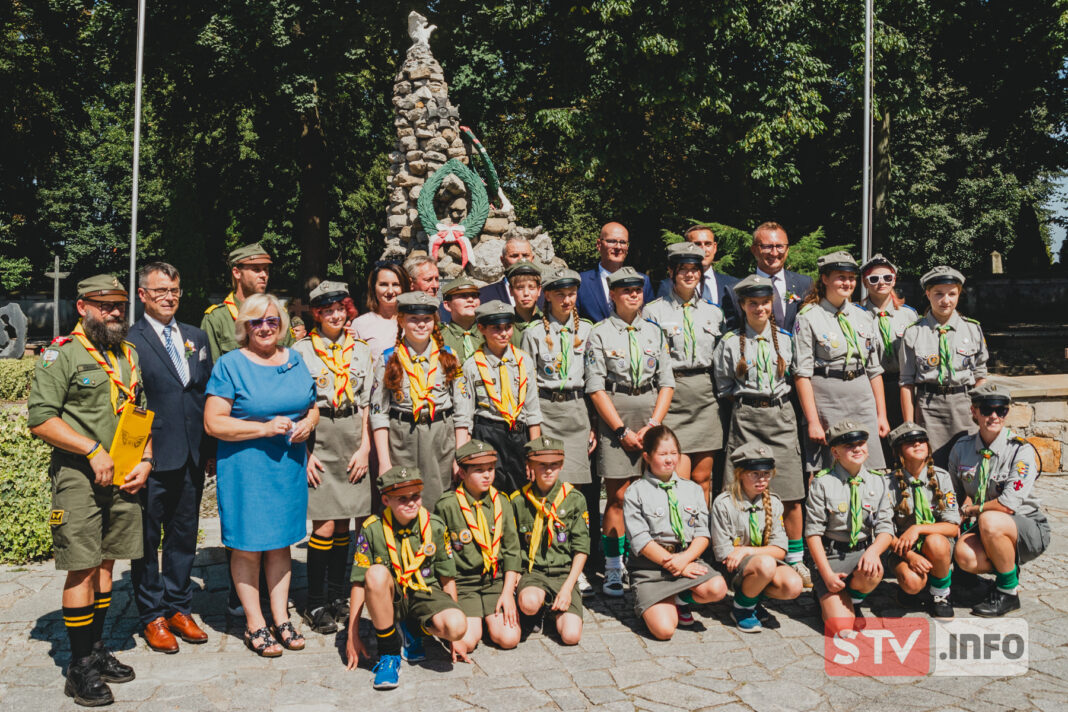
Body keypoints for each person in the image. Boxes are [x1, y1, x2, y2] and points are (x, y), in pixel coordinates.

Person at [28, 275, 152, 707]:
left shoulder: (127, 354)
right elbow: (41, 418)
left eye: (119, 304)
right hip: (79, 477)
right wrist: (92, 449)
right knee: (81, 567)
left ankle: (96, 650)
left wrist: (146, 461)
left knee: (105, 564)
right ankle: (78, 667)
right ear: (83, 307)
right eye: (104, 305)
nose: (115, 312)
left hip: (122, 476)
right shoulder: (61, 354)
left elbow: (139, 412)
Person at [203, 294, 318, 657]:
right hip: (246, 466)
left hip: (287, 465)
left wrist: (308, 424)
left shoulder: (295, 357)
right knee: (249, 546)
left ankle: (281, 618)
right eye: (256, 322)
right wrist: (264, 429)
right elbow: (213, 422)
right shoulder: (230, 364)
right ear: (244, 327)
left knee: (281, 543)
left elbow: (313, 406)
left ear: (281, 323)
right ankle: (254, 622)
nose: (265, 328)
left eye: (271, 320)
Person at [127, 263, 212, 654]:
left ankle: (179, 607)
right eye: (160, 290)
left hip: (192, 455)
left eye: (174, 290)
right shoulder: (131, 341)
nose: (169, 297)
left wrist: (208, 451)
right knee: (145, 541)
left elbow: (204, 394)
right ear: (142, 294)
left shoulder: (195, 336)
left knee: (183, 537)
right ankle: (152, 615)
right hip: (151, 457)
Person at [713, 274, 809, 587]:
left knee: (792, 491)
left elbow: (795, 377)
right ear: (742, 305)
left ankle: (795, 559)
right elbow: (724, 386)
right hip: (747, 417)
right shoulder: (729, 343)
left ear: (772, 304)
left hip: (781, 416)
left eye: (765, 302)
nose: (759, 308)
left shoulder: (785, 338)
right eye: (752, 303)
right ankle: (737, 558)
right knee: (740, 489)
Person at [586, 266, 675, 597]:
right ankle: (612, 565)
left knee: (652, 491)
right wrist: (621, 429)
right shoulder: (599, 333)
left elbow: (667, 382)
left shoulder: (655, 332)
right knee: (618, 496)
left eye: (637, 289)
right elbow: (595, 387)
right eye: (625, 290)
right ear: (612, 294)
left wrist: (653, 425)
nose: (633, 295)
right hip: (616, 411)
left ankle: (644, 559)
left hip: (650, 410)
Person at [293, 281, 374, 635]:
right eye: (327, 310)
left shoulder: (362, 350)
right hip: (320, 434)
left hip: (352, 435)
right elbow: (295, 405)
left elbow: (370, 402)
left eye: (340, 308)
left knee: (345, 523)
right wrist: (305, 453)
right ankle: (314, 601)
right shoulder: (300, 351)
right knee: (324, 524)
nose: (335, 315)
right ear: (317, 314)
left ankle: (339, 595)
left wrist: (366, 447)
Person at [344, 465, 467, 689]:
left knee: (458, 626)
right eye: (401, 498)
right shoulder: (372, 529)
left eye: (415, 496)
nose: (411, 503)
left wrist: (453, 639)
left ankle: (412, 627)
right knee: (376, 573)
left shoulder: (435, 526)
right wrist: (352, 634)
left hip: (424, 593)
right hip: (390, 598)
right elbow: (359, 582)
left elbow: (447, 578)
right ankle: (389, 652)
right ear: (386, 500)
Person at [520, 267, 598, 594]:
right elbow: (527, 382)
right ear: (547, 296)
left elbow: (595, 380)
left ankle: (575, 564)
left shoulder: (589, 331)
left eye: (572, 293)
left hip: (578, 410)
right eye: (560, 294)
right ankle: (552, 559)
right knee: (549, 491)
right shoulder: (534, 332)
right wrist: (534, 429)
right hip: (547, 409)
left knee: (575, 494)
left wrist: (593, 422)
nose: (567, 299)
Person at [950, 385, 1049, 617]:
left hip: (1026, 526)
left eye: (1001, 410)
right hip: (987, 527)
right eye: (987, 409)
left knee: (990, 518)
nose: (994, 416)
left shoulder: (1020, 450)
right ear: (974, 412)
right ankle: (1007, 570)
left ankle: (1008, 592)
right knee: (963, 555)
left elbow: (1007, 505)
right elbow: (954, 494)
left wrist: (972, 509)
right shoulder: (962, 449)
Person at [370, 291, 469, 510]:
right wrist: (384, 460)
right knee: (403, 497)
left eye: (427, 319)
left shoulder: (449, 356)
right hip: (402, 436)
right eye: (413, 319)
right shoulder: (389, 359)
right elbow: (378, 412)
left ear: (435, 321)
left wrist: (459, 455)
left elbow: (463, 409)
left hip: (441, 436)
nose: (421, 324)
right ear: (401, 320)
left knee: (440, 498)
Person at [624, 426, 725, 639]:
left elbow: (702, 533)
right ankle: (650, 601)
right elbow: (641, 540)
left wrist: (685, 559)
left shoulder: (693, 489)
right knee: (664, 631)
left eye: (674, 453)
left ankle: (680, 598)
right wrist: (675, 563)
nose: (670, 460)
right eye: (662, 454)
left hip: (685, 559)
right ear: (647, 457)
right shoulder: (636, 492)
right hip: (651, 569)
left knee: (718, 588)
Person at [794, 251, 890, 473]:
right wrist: (813, 421)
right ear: (825, 279)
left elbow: (874, 370)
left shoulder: (863, 316)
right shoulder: (808, 317)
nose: (847, 283)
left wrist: (881, 415)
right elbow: (802, 374)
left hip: (862, 397)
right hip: (828, 400)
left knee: (872, 466)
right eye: (840, 277)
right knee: (830, 469)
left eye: (851, 278)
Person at [644, 242, 725, 502]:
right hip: (673, 396)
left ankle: (700, 537)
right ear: (671, 272)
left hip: (705, 396)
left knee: (703, 479)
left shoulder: (714, 312)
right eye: (683, 270)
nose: (690, 275)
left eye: (695, 269)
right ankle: (675, 537)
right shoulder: (653, 311)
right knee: (677, 476)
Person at [433, 440, 522, 658]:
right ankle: (472, 621)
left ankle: (490, 620)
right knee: (466, 643)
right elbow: (442, 559)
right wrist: (452, 606)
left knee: (509, 639)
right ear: (461, 473)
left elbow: (512, 550)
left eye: (490, 469)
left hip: (495, 582)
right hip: (464, 585)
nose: (487, 475)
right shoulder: (447, 505)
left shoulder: (502, 502)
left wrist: (508, 593)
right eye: (479, 470)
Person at [804, 421, 894, 635]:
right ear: (835, 452)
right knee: (841, 629)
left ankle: (852, 600)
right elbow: (813, 533)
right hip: (830, 556)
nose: (856, 449)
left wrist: (873, 552)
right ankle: (824, 595)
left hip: (861, 552)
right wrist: (825, 574)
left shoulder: (878, 482)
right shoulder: (822, 483)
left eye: (861, 443)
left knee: (874, 571)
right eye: (848, 445)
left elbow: (885, 528)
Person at [899, 266, 988, 467]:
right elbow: (906, 382)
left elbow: (980, 373)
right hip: (929, 407)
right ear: (927, 294)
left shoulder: (973, 329)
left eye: (952, 294)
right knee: (932, 466)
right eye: (938, 293)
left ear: (959, 295)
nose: (945, 300)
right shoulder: (914, 333)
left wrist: (979, 410)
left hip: (965, 405)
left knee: (968, 464)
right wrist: (909, 424)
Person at [710, 443, 803, 633]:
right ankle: (741, 608)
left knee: (793, 585)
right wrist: (757, 556)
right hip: (732, 570)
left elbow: (780, 549)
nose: (762, 479)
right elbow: (723, 553)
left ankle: (751, 599)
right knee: (766, 564)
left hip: (758, 565)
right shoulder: (724, 504)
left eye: (766, 474)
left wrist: (747, 550)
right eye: (755, 474)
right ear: (740, 474)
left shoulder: (774, 503)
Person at [456, 301, 542, 494]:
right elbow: (464, 416)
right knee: (490, 491)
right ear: (481, 329)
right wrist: (461, 456)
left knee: (523, 490)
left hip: (519, 436)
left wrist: (533, 453)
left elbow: (533, 411)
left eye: (508, 327)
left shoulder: (523, 361)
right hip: (488, 433)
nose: (504, 333)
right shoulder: (471, 366)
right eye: (496, 328)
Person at [511, 437, 590, 645]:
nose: (548, 470)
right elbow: (514, 545)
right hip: (534, 573)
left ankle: (553, 611)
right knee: (528, 603)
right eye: (542, 465)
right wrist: (517, 573)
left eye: (554, 465)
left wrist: (567, 587)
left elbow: (581, 548)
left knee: (571, 637)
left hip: (564, 574)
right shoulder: (519, 500)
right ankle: (535, 611)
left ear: (562, 465)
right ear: (530, 466)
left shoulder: (574, 499)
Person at [885, 422, 960, 619]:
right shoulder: (888, 484)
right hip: (902, 550)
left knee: (934, 540)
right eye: (910, 442)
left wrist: (918, 528)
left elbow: (953, 528)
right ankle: (911, 587)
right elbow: (884, 532)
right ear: (899, 451)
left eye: (921, 441)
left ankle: (941, 594)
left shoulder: (942, 478)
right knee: (912, 584)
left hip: (937, 547)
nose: (918, 445)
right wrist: (910, 556)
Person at [201, 242, 291, 361]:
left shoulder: (278, 314)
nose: (264, 275)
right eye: (256, 269)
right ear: (237, 273)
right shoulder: (217, 319)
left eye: (266, 269)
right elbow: (211, 371)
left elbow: (290, 360)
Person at [859, 254, 916, 430]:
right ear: (865, 282)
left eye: (887, 277)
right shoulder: (856, 315)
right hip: (870, 388)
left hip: (904, 387)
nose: (881, 282)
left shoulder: (909, 315)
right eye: (874, 278)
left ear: (894, 280)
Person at [728, 222, 812, 333]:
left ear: (787, 250)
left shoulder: (804, 284)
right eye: (767, 247)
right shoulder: (735, 290)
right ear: (754, 250)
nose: (774, 253)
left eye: (780, 246)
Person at [656, 225, 740, 328]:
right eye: (697, 244)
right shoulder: (668, 285)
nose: (703, 249)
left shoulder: (733, 285)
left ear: (715, 247)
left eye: (708, 244)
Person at [577, 222, 654, 322]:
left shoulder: (643, 281)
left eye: (622, 242)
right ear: (599, 245)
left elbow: (649, 321)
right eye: (612, 241)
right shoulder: (582, 282)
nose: (618, 247)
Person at [350, 260, 410, 361]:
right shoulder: (360, 324)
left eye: (396, 284)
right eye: (383, 284)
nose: (390, 291)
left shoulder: (415, 321)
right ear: (373, 287)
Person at [480, 236, 543, 308]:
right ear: (503, 260)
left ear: (532, 259)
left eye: (525, 255)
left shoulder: (549, 296)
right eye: (514, 256)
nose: (521, 260)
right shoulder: (484, 296)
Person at [440, 276, 484, 362]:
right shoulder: (440, 338)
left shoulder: (490, 334)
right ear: (447, 305)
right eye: (463, 296)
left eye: (474, 296)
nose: (471, 299)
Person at [505, 260, 544, 344]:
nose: (526, 293)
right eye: (520, 288)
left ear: (539, 290)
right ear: (511, 290)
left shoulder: (548, 322)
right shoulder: (504, 327)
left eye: (531, 287)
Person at [403, 253, 447, 322]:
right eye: (428, 280)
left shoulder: (445, 313)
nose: (435, 286)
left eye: (437, 279)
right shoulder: (398, 316)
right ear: (411, 283)